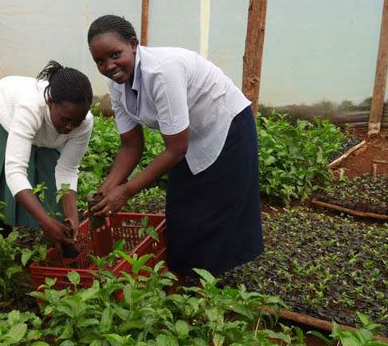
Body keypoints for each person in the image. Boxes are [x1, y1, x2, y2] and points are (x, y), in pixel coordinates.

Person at [86, 14, 263, 279]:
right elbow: (130, 146)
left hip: (226, 125)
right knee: (182, 207)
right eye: (100, 61)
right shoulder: (117, 85)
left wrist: (126, 191)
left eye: (115, 54)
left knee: (216, 208)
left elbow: (175, 149)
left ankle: (211, 282)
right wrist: (106, 190)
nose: (109, 65)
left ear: (133, 44)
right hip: (189, 135)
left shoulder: (162, 72)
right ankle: (187, 277)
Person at [0, 61, 93, 249]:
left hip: (39, 120)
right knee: (5, 171)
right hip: (4, 108)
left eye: (77, 121)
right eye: (65, 120)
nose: (70, 128)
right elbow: (15, 171)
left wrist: (72, 217)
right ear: (50, 102)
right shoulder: (29, 108)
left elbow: (67, 169)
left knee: (50, 174)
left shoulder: (83, 123)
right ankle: (3, 232)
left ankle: (59, 236)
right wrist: (46, 223)